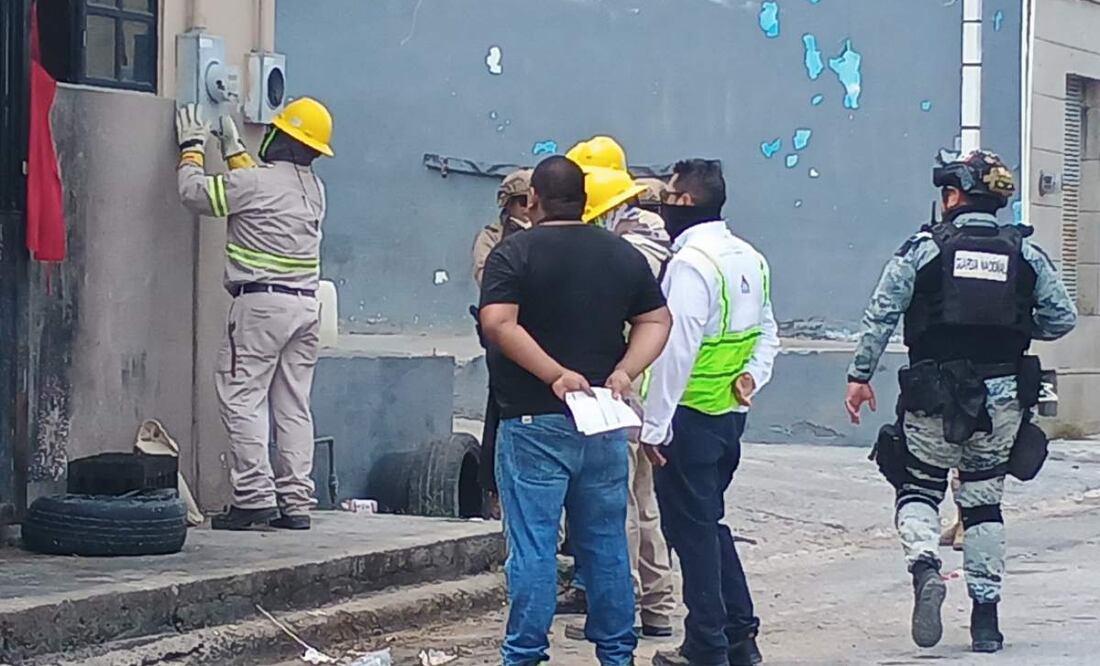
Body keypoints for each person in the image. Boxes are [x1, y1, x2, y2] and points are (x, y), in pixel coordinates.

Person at [844, 150, 1077, 652]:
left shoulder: (924, 249)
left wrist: (860, 375)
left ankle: (927, 568)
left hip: (934, 395)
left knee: (919, 487)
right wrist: (1017, 325)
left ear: (952, 196)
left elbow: (881, 313)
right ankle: (986, 622)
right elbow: (1062, 318)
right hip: (1003, 399)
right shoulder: (1025, 254)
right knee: (983, 504)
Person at [480, 155, 672, 666]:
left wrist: (554, 375)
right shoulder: (620, 255)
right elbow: (657, 318)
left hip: (531, 421)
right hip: (603, 421)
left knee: (534, 548)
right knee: (606, 545)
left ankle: (524, 655)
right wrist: (626, 371)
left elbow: (499, 322)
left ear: (534, 200)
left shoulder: (513, 253)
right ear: (587, 201)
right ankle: (617, 654)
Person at [641, 159, 779, 666]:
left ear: (685, 203)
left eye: (667, 195)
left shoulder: (691, 264)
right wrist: (753, 376)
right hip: (727, 418)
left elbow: (676, 349)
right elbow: (769, 331)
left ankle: (706, 645)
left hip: (687, 419)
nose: (660, 204)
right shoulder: (749, 257)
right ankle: (739, 633)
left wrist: (654, 427)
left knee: (691, 533)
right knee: (708, 523)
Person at [175, 98, 334, 531]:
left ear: (279, 137)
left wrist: (191, 149)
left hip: (261, 306)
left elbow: (197, 194)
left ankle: (253, 497)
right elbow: (254, 187)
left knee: (242, 396)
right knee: (293, 405)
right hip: (305, 307)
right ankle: (296, 502)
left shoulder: (256, 183)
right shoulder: (314, 190)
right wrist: (232, 152)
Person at [565, 138, 678, 638]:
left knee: (621, 505)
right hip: (641, 381)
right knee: (642, 505)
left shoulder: (631, 240)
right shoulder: (647, 231)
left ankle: (624, 606)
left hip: (626, 383)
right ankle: (655, 606)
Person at [472, 169, 532, 519]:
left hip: (543, 338)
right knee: (499, 420)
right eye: (522, 202)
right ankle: (496, 496)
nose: (528, 208)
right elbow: (487, 279)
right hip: (505, 338)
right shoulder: (493, 238)